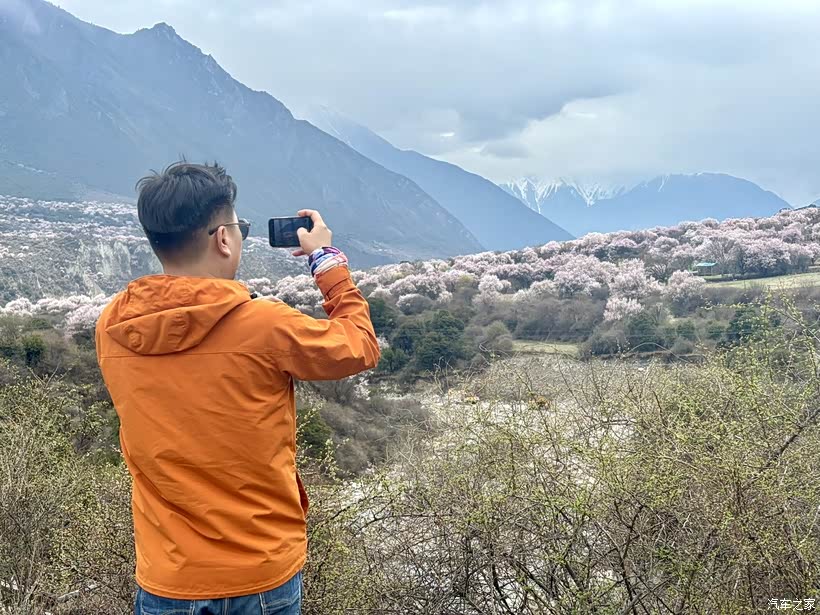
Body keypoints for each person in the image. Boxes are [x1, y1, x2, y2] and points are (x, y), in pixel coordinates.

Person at [95, 161, 380, 615]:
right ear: (223, 239)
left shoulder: (112, 325)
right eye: (239, 227)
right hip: (260, 570)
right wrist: (326, 261)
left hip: (168, 574)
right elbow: (359, 346)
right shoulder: (264, 324)